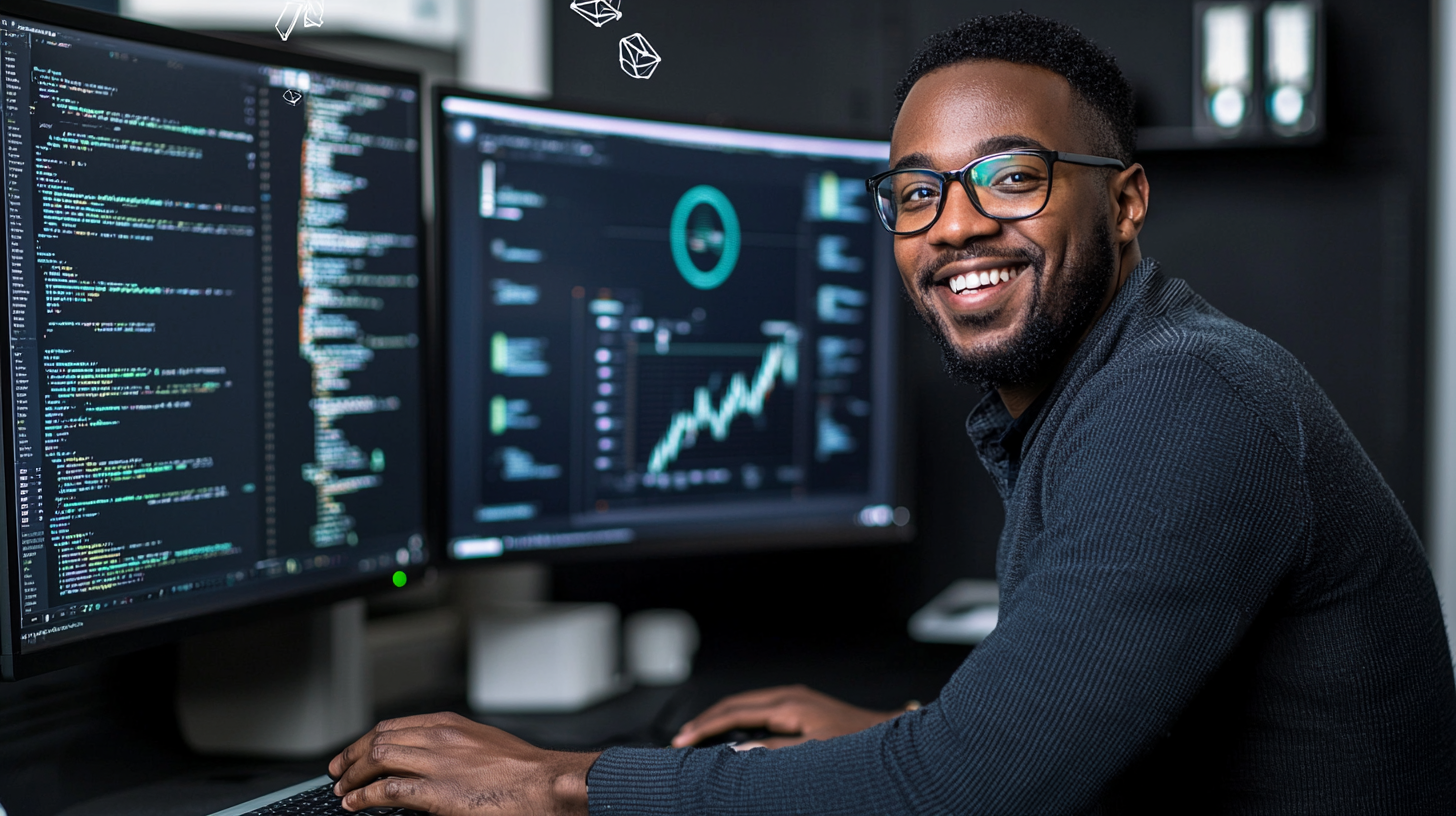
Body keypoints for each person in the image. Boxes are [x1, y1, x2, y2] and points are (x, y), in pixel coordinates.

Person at [329, 12, 1456, 814]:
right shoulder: (1105, 390)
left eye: (1008, 175)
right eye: (915, 192)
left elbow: (971, 794)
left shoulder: (1184, 400)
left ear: (1124, 200)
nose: (952, 226)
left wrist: (558, 780)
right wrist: (907, 735)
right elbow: (1064, 744)